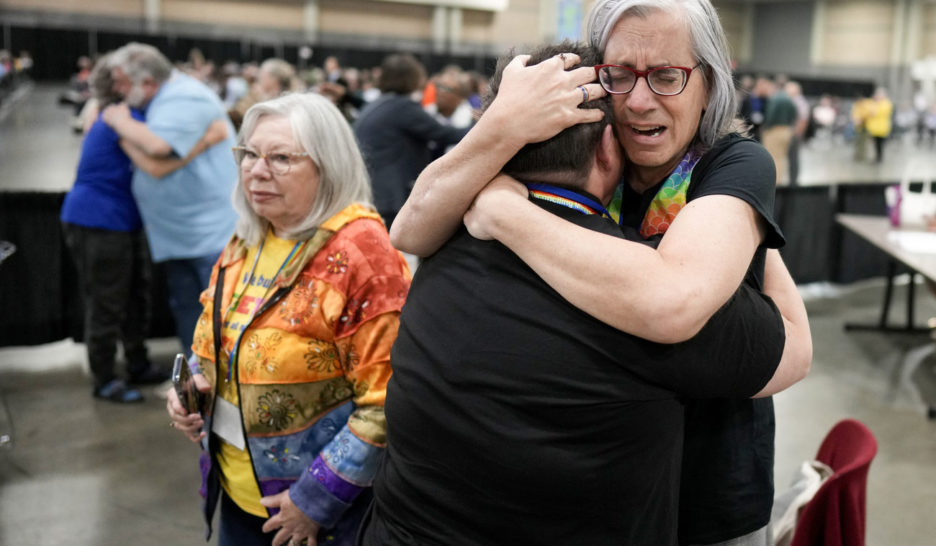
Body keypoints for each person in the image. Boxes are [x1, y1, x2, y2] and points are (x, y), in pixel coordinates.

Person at [360, 42, 809, 545]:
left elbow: (409, 229)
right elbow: (794, 347)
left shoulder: (444, 247)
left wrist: (502, 205)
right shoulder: (639, 294)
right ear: (608, 148)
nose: (642, 101)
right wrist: (743, 220)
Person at [165, 93, 410, 546]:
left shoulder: (364, 255)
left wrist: (317, 500)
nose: (257, 171)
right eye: (250, 155)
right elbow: (216, 343)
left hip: (319, 517)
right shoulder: (250, 238)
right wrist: (194, 387)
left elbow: (386, 404)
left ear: (328, 165)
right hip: (238, 494)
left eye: (280, 158)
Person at [61, 53, 227, 402]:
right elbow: (157, 162)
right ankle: (105, 377)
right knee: (107, 301)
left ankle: (136, 363)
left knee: (135, 297)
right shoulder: (120, 119)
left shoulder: (132, 117)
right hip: (99, 220)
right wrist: (207, 140)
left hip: (121, 221)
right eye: (122, 82)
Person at [104, 42, 239, 362]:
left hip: (208, 233)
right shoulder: (165, 99)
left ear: (148, 81)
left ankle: (222, 383)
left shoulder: (184, 97)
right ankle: (194, 379)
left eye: (122, 82)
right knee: (189, 310)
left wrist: (118, 123)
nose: (117, 91)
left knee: (217, 314)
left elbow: (157, 153)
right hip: (183, 233)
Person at [353, 53, 471, 229]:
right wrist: (485, 127)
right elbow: (444, 134)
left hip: (373, 190)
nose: (438, 91)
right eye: (439, 86)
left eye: (446, 89)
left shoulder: (381, 103)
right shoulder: (404, 107)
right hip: (389, 196)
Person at [866, 86, 893, 163]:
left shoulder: (886, 103)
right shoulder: (874, 103)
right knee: (875, 145)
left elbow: (878, 113)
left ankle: (879, 158)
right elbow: (869, 111)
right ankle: (876, 157)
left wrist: (876, 105)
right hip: (874, 128)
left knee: (880, 145)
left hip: (882, 128)